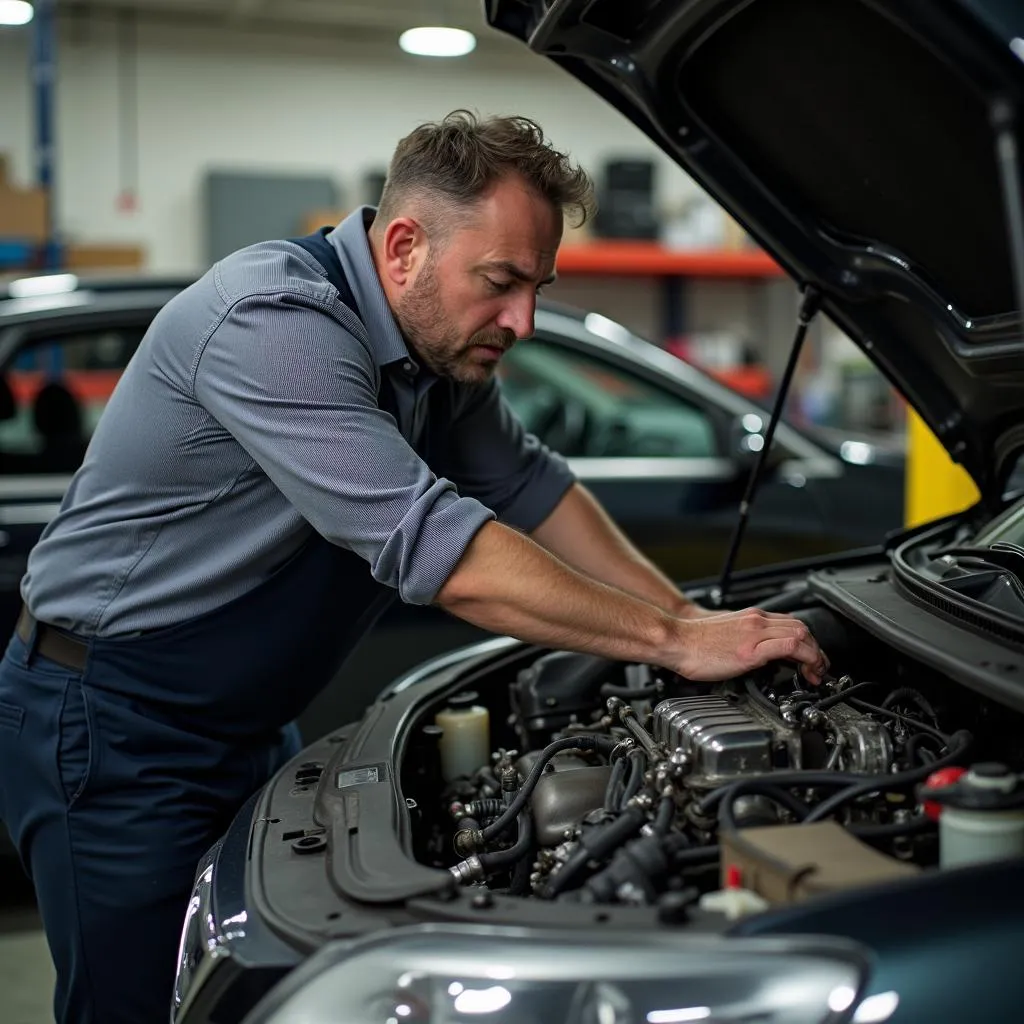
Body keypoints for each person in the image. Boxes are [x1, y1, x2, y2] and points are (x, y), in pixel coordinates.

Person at [0, 110, 828, 1023]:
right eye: (503, 282)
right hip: (112, 728)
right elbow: (441, 549)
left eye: (537, 287)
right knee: (135, 1006)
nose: (523, 320)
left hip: (241, 720)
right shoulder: (274, 323)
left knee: (244, 997)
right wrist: (674, 640)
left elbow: (534, 491)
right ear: (402, 248)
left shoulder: (437, 356)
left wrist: (697, 624)